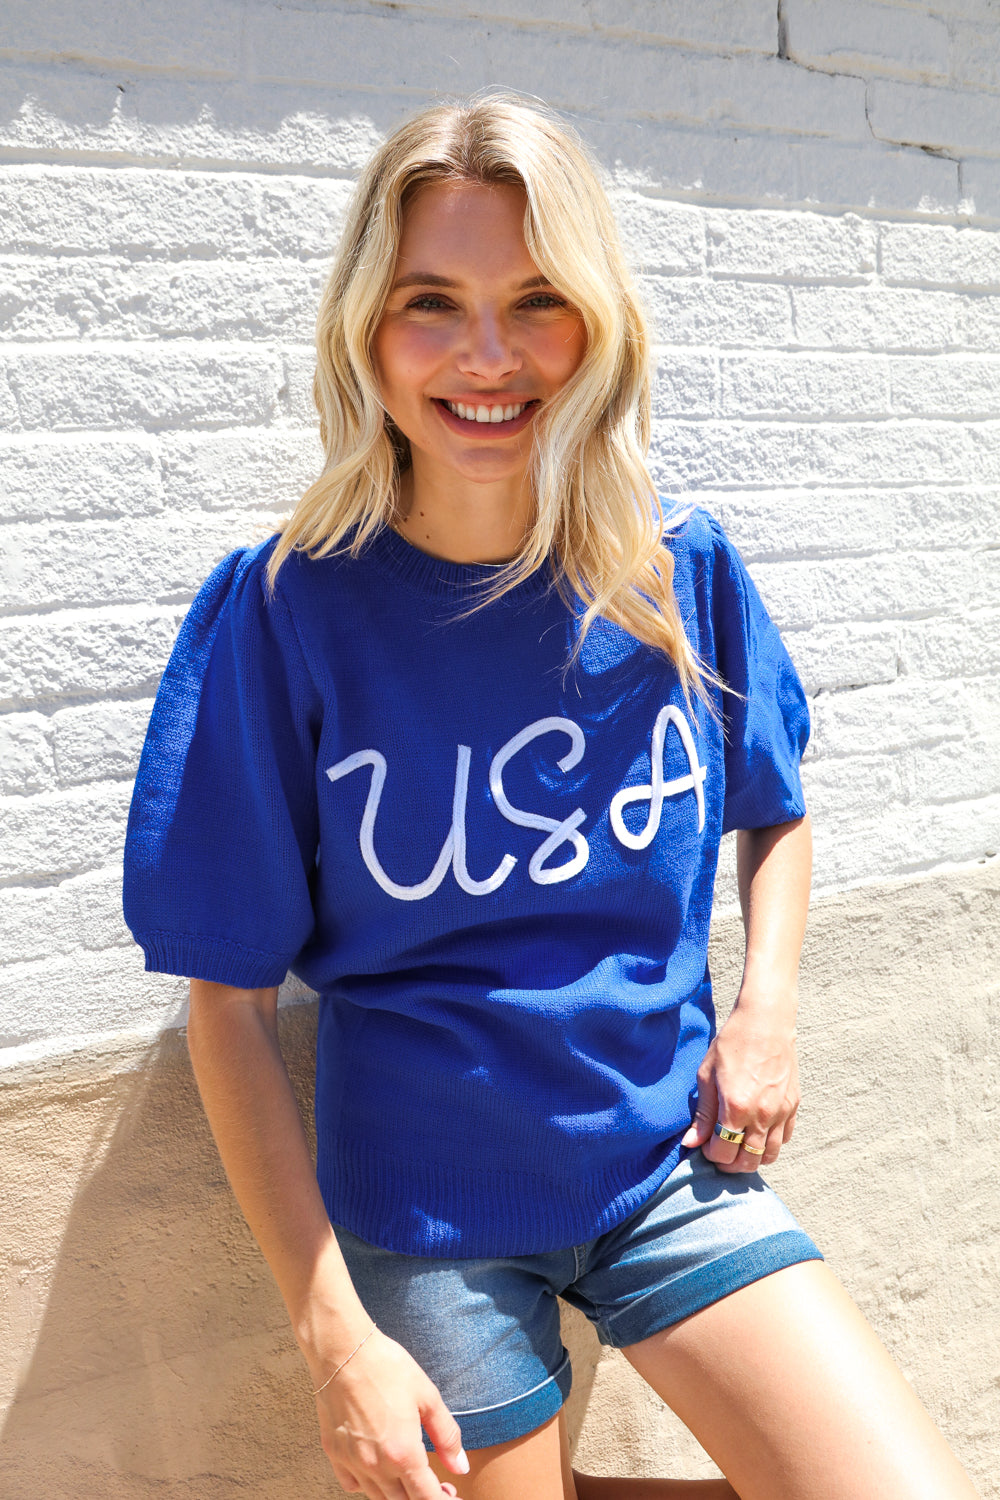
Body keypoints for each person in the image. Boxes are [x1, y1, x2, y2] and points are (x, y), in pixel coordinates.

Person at [122, 92, 978, 1500]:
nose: (488, 355)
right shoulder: (284, 614)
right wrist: (336, 1337)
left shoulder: (677, 570)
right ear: (365, 328)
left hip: (665, 1166)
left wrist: (766, 1010)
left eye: (537, 301)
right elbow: (229, 1003)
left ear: (598, 323)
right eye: (432, 303)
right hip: (429, 1214)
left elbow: (774, 805)